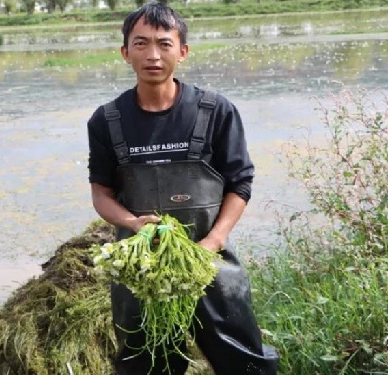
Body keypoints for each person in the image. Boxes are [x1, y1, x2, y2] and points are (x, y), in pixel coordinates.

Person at [85, 2, 280, 375]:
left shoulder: (215, 110)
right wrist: (133, 224)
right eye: (140, 44)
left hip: (209, 262)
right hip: (141, 268)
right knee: (145, 362)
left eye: (164, 43)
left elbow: (240, 183)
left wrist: (213, 243)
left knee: (243, 358)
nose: (153, 55)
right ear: (125, 53)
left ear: (183, 51)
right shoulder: (107, 120)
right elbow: (101, 193)